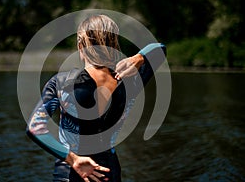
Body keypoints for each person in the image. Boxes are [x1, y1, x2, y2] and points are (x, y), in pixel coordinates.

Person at [26, 14, 166, 182]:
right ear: (114, 42)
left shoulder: (62, 82)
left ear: (80, 45)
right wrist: (139, 57)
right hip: (109, 172)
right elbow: (160, 49)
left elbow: (35, 128)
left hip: (71, 174)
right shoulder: (131, 81)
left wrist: (74, 159)